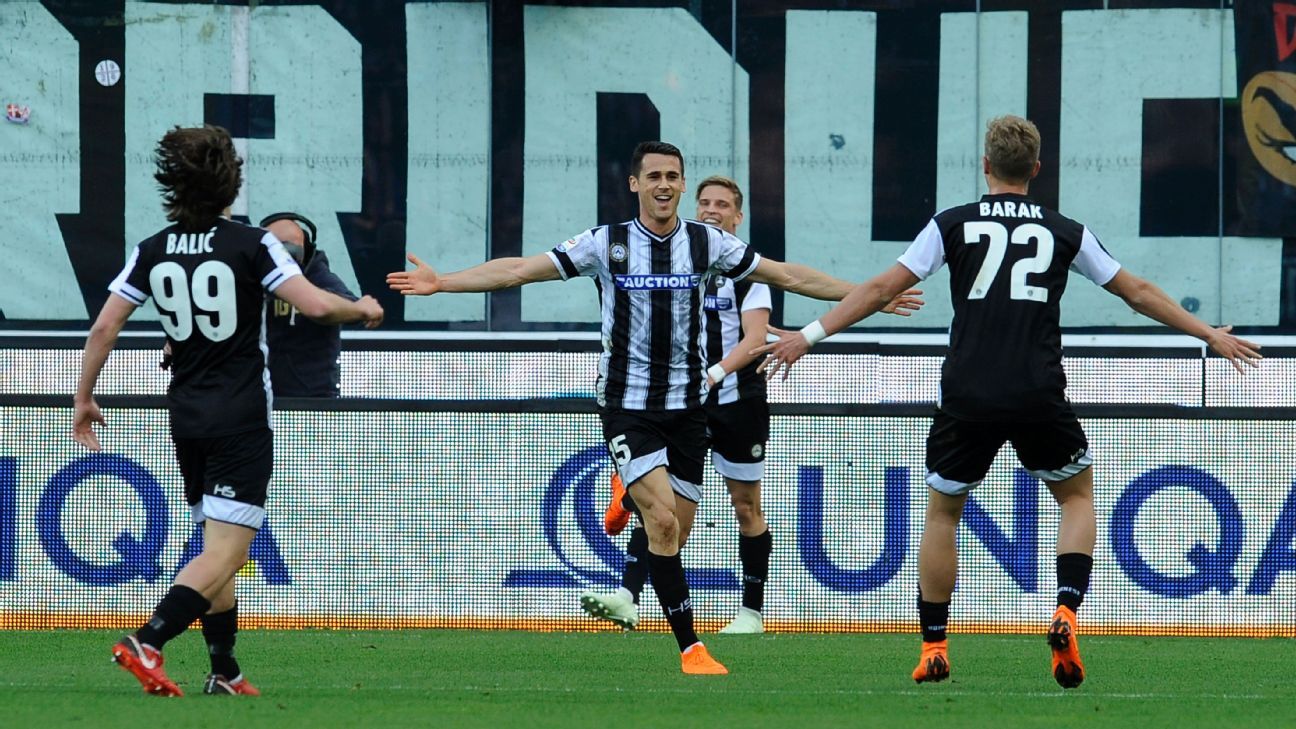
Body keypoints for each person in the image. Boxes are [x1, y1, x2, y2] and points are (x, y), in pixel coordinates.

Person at [757, 116, 1261, 689]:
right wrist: (1208, 334)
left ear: (985, 165)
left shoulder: (951, 224)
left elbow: (879, 289)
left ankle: (934, 646)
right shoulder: (1065, 230)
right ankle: (1066, 609)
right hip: (1036, 389)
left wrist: (808, 336)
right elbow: (1137, 292)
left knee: (943, 513)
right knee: (1076, 497)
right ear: (1037, 169)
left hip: (968, 392)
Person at [389, 141, 867, 675]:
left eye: (672, 176)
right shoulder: (605, 243)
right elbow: (519, 269)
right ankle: (691, 649)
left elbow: (790, 276)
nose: (664, 184)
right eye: (654, 176)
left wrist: (867, 295)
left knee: (674, 531)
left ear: (681, 184)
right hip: (627, 405)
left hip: (688, 410)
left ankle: (633, 495)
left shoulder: (708, 243)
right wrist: (443, 282)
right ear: (635, 184)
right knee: (661, 521)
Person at [73, 125, 383, 697]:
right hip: (240, 415)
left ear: (171, 184)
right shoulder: (251, 244)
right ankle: (147, 641)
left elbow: (104, 326)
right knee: (227, 551)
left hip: (186, 416)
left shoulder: (152, 248)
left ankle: (224, 671)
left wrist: (84, 398)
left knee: (218, 545)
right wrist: (361, 307)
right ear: (231, 184)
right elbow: (316, 306)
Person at [581, 176, 922, 635]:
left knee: (745, 505)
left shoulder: (744, 271)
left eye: (723, 205)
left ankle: (751, 612)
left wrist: (714, 374)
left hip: (736, 400)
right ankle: (629, 595)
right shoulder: (677, 260)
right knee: (664, 509)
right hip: (682, 404)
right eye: (705, 202)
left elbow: (756, 336)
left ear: (737, 217)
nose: (712, 210)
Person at [259, 211, 359, 397]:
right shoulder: (250, 272)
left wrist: (315, 300)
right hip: (258, 394)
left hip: (313, 398)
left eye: (290, 250)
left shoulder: (316, 273)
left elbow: (351, 306)